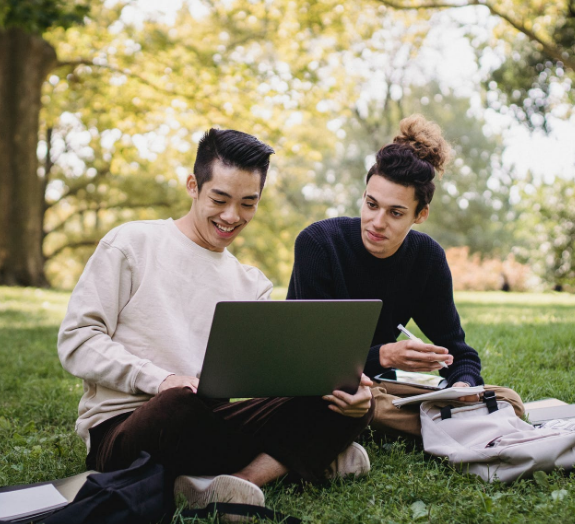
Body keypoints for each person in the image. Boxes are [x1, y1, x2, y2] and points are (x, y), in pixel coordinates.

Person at [58, 128, 374, 510]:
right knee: (178, 406)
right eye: (220, 199)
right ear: (193, 185)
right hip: (134, 427)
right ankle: (304, 459)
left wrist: (335, 383)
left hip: (213, 422)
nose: (231, 216)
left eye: (247, 204)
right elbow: (77, 341)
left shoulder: (252, 283)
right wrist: (162, 380)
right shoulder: (131, 244)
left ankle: (235, 484)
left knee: (350, 398)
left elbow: (263, 380)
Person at [287, 115, 524, 437]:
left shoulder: (426, 258)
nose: (376, 222)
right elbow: (310, 361)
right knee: (364, 402)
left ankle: (457, 418)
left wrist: (464, 386)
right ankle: (466, 424)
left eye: (395, 213)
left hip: (379, 390)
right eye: (371, 204)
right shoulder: (319, 243)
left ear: (420, 214)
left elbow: (459, 353)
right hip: (323, 388)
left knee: (508, 399)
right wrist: (385, 355)